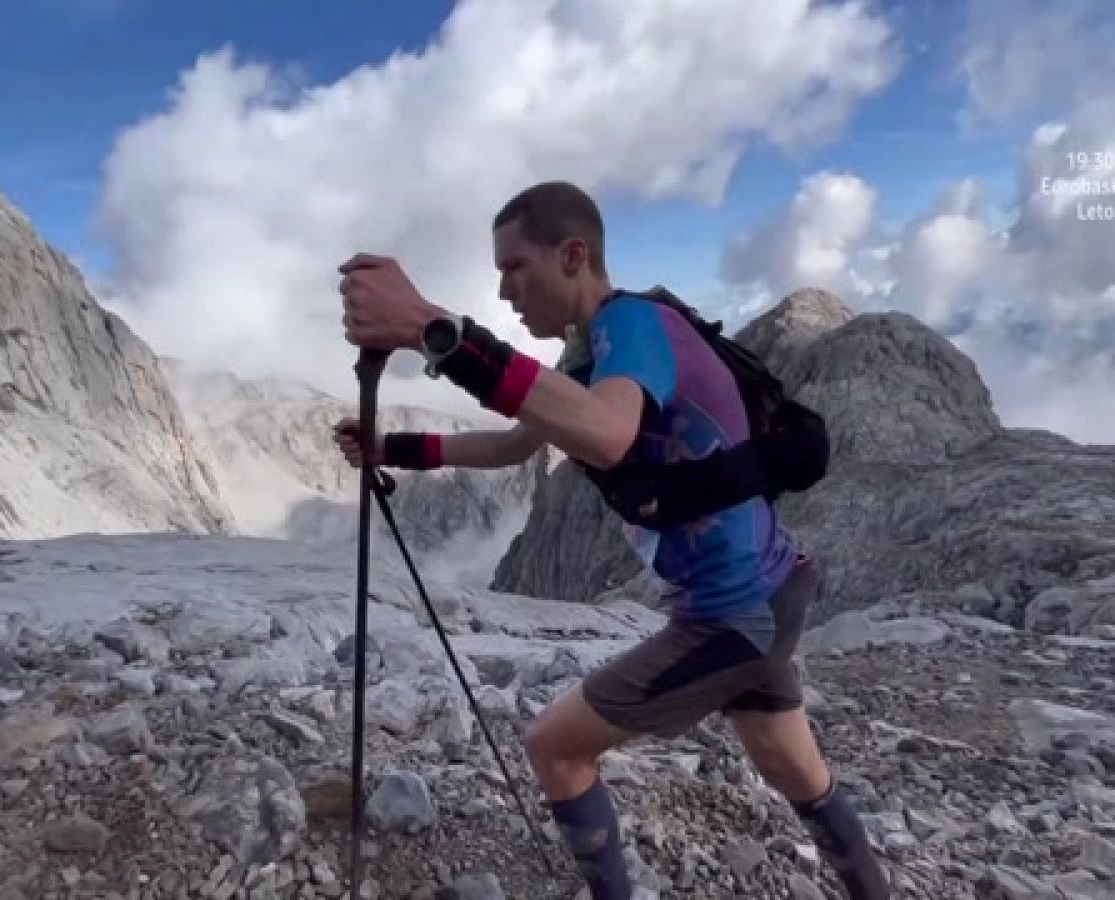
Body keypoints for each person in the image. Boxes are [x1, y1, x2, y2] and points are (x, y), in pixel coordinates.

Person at [333, 180, 890, 900]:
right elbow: (514, 445)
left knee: (554, 748)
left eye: (514, 268)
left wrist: (435, 328)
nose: (504, 291)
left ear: (573, 256)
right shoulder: (589, 359)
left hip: (733, 615)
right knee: (794, 772)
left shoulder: (629, 326)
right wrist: (396, 449)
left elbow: (608, 432)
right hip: (772, 593)